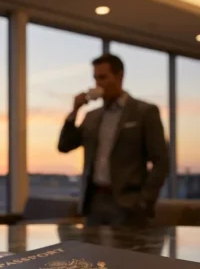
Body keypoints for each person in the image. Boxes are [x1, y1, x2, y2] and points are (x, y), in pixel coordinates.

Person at [58, 53, 169, 227]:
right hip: (94, 203)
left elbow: (161, 161)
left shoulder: (144, 112)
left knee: (126, 253)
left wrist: (144, 200)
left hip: (128, 205)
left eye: (103, 77)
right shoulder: (92, 117)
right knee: (93, 254)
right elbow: (64, 146)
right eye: (95, 78)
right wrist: (74, 112)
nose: (98, 84)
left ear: (119, 76)